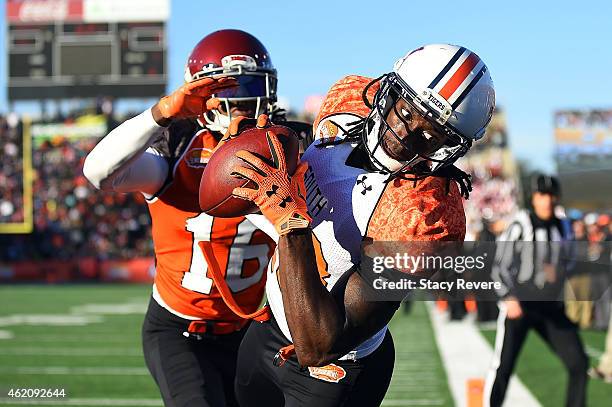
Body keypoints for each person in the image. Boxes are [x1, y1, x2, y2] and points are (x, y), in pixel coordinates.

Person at [223, 43, 496, 406]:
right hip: (268, 327)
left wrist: (291, 223)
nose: (409, 132)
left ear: (453, 146)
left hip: (333, 374)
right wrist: (265, 143)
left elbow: (319, 345)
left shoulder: (425, 219)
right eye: (408, 109)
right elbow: (312, 147)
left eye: (434, 133)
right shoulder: (348, 100)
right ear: (390, 90)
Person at [83, 29, 283, 407]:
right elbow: (97, 172)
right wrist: (163, 113)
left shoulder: (287, 146)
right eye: (227, 90)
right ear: (200, 96)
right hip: (181, 330)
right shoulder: (178, 145)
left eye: (252, 86)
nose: (243, 102)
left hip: (253, 331)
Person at [486, 174, 589, 407]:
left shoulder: (563, 226)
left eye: (551, 195)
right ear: (533, 198)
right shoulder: (520, 223)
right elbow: (499, 264)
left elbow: (570, 261)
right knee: (504, 366)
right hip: (520, 303)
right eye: (542, 195)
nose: (547, 201)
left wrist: (559, 270)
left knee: (579, 363)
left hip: (550, 305)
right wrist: (508, 297)